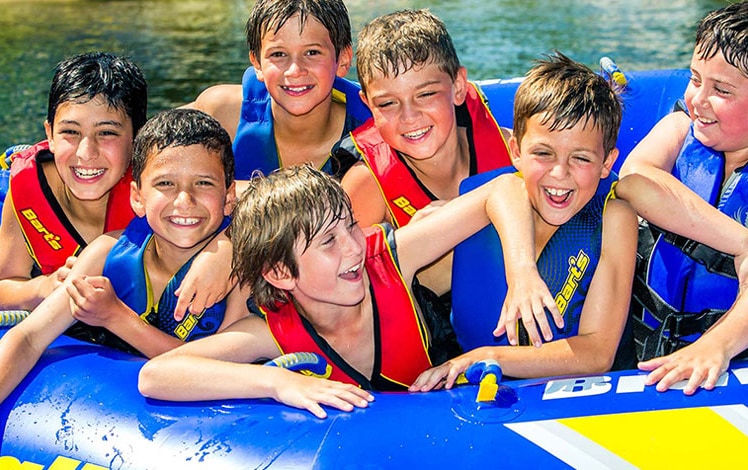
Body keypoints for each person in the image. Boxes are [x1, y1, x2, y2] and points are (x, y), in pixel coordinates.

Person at [138, 161, 537, 418]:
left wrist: (522, 273)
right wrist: (278, 383)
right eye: (328, 242)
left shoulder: (390, 260)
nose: (354, 246)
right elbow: (157, 375)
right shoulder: (272, 331)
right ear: (280, 272)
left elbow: (503, 188)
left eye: (350, 225)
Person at [409, 52, 638, 392]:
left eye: (581, 158)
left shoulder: (614, 221)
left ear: (607, 163)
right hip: (467, 394)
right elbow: (401, 284)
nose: (559, 174)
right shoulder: (476, 214)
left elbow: (597, 352)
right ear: (515, 150)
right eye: (543, 153)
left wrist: (488, 356)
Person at [0, 108, 248, 403]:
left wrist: (115, 317)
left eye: (203, 183)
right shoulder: (106, 255)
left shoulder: (240, 276)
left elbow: (225, 372)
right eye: (165, 184)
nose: (184, 201)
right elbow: (28, 337)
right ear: (137, 198)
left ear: (229, 197)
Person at [336, 9, 512, 309]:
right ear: (367, 104)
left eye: (426, 94)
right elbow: (337, 290)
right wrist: (417, 241)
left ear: (458, 87)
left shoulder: (511, 149)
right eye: (388, 103)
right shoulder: (367, 185)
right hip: (432, 330)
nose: (409, 116)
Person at [615, 1, 748, 395]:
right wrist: (741, 242)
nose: (698, 100)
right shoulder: (678, 129)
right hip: (639, 345)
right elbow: (634, 180)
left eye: (721, 90)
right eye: (695, 79)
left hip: (725, 364)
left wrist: (715, 347)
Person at [0, 52, 146, 312]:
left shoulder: (163, 189)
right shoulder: (28, 188)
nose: (85, 153)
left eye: (107, 133)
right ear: (50, 135)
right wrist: (43, 287)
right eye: (70, 132)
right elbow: (5, 283)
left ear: (137, 138)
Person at [185, 0, 370, 181]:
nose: (295, 71)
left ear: (344, 59)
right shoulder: (222, 114)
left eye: (312, 52)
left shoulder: (379, 130)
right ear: (257, 63)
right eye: (278, 54)